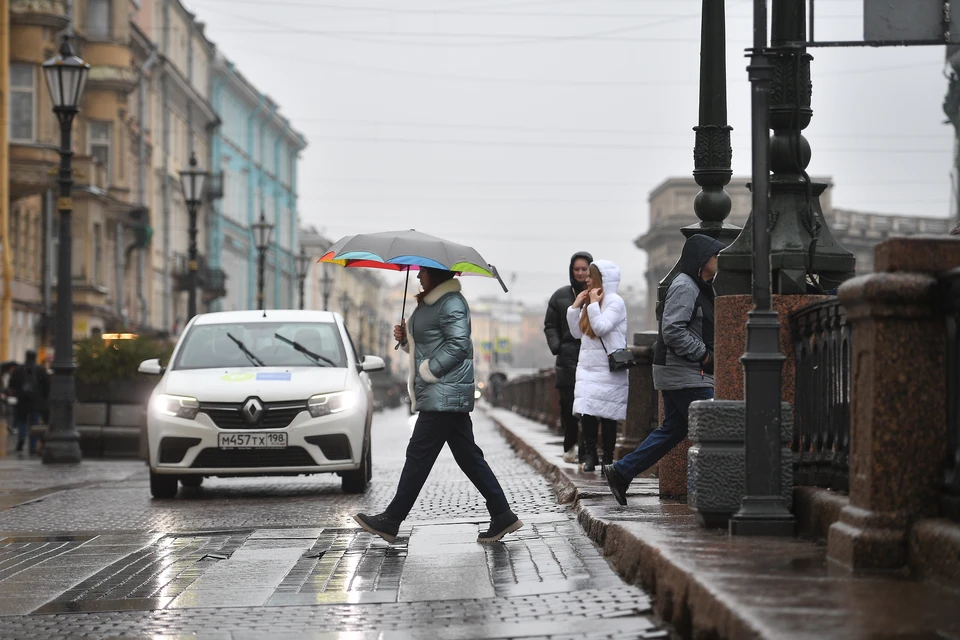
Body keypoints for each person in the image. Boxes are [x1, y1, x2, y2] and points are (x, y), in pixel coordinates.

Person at [355, 267, 523, 544]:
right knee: (468, 457)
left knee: (418, 455)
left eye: (423, 272)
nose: (418, 276)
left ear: (435, 274)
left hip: (444, 392)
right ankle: (502, 513)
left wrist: (429, 370)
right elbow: (430, 344)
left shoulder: (451, 302)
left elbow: (459, 345)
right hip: (442, 392)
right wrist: (406, 340)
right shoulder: (432, 303)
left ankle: (392, 519)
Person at [602, 234, 725, 506]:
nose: (719, 259)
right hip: (686, 373)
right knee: (716, 426)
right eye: (715, 255)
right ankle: (718, 493)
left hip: (683, 372)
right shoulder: (685, 286)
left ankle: (621, 472)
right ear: (702, 259)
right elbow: (672, 330)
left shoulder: (701, 285)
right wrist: (704, 355)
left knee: (673, 429)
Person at [565, 260, 629, 472]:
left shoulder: (615, 302)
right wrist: (576, 306)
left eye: (591, 275)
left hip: (608, 367)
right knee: (587, 413)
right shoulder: (589, 302)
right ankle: (590, 456)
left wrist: (592, 305)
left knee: (608, 416)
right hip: (587, 367)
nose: (587, 279)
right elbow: (576, 333)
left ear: (602, 279)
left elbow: (601, 327)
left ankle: (607, 459)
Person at [544, 251, 593, 463]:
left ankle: (585, 451)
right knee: (567, 405)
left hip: (589, 356)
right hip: (566, 359)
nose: (580, 273)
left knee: (588, 406)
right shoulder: (560, 296)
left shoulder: (597, 294)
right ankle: (570, 442)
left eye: (584, 269)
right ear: (571, 271)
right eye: (576, 269)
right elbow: (550, 325)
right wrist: (557, 346)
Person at [8, 350, 50, 456]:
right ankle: (32, 447)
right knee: (34, 423)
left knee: (22, 421)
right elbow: (46, 386)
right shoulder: (40, 369)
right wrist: (44, 398)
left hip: (22, 400)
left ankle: (21, 438)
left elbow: (12, 384)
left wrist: (16, 392)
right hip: (36, 401)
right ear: (35, 357)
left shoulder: (18, 369)